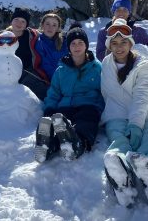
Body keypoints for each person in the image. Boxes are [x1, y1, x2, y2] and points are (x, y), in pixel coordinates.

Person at [101, 19, 148, 207]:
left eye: (123, 42)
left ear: (130, 43)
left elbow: (143, 96)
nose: (119, 47)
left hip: (146, 111)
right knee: (118, 138)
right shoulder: (106, 63)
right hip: (116, 113)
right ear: (109, 45)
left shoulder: (145, 65)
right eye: (114, 43)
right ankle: (120, 170)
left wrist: (135, 123)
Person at [34, 23, 104, 163]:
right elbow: (54, 92)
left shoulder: (97, 68)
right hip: (65, 106)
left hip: (88, 105)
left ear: (86, 45)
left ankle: (79, 144)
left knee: (85, 122)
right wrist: (49, 109)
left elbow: (105, 91)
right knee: (57, 121)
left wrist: (100, 109)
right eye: (73, 43)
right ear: (68, 47)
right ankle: (49, 146)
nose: (77, 46)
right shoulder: (61, 70)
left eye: (80, 43)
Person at [7, 7, 49, 100]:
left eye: (23, 21)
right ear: (11, 21)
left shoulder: (33, 35)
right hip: (9, 71)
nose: (19, 23)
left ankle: (50, 104)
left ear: (26, 25)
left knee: (34, 84)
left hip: (29, 69)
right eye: (16, 19)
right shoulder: (3, 37)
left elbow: (48, 36)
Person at [34, 13, 68, 82]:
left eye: (54, 25)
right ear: (42, 25)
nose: (50, 27)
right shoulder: (39, 43)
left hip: (69, 76)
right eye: (47, 24)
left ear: (58, 28)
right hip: (54, 80)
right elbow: (45, 65)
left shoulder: (64, 41)